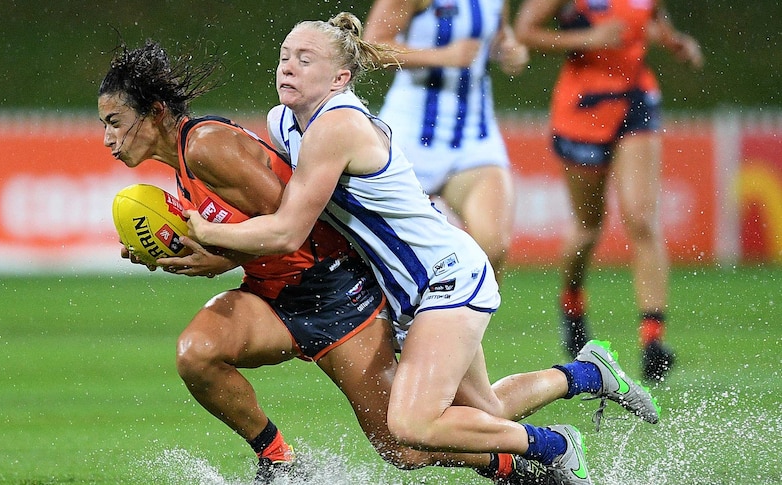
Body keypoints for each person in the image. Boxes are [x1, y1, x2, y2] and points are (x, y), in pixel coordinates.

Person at [97, 39, 650, 485]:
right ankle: (279, 463)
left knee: (408, 440)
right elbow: (264, 231)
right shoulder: (266, 131)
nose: (108, 138)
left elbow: (292, 228)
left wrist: (207, 243)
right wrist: (194, 254)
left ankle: (540, 453)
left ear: (157, 112)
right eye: (283, 56)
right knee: (200, 352)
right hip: (301, 292)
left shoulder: (213, 145)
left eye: (116, 121)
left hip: (362, 288)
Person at [513, 0, 703, 381]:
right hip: (582, 108)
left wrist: (673, 39)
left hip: (635, 98)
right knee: (588, 226)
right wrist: (589, 37)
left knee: (641, 218)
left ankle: (653, 340)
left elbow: (650, 17)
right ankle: (571, 302)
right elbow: (524, 32)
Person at [362, 0, 528, 283]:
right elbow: (371, 48)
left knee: (492, 248)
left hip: (475, 136)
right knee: (386, 255)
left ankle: (461, 327)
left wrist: (510, 51)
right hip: (408, 139)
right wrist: (441, 56)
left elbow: (499, 35)